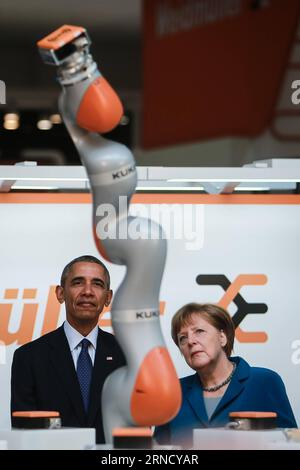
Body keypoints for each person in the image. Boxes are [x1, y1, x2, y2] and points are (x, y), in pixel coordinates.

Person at [11, 255, 125, 443]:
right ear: (60, 293)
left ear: (108, 297)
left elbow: (138, 428)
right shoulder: (29, 358)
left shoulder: (127, 355)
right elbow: (24, 433)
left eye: (97, 284)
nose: (87, 291)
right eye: (78, 282)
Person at [155, 303, 297, 448]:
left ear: (222, 337)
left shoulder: (264, 382)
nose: (190, 341)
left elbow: (289, 444)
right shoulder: (173, 393)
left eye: (199, 331)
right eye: (182, 338)